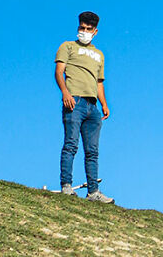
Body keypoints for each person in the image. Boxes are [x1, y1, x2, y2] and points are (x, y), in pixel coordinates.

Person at [55, 11, 113, 203]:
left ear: (95, 31)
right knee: (71, 144)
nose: (84, 31)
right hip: (75, 101)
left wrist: (104, 103)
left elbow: (99, 82)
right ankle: (66, 186)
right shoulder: (68, 46)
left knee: (92, 151)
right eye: (82, 28)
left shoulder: (99, 55)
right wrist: (65, 93)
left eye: (88, 29)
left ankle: (93, 192)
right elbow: (59, 71)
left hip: (93, 107)